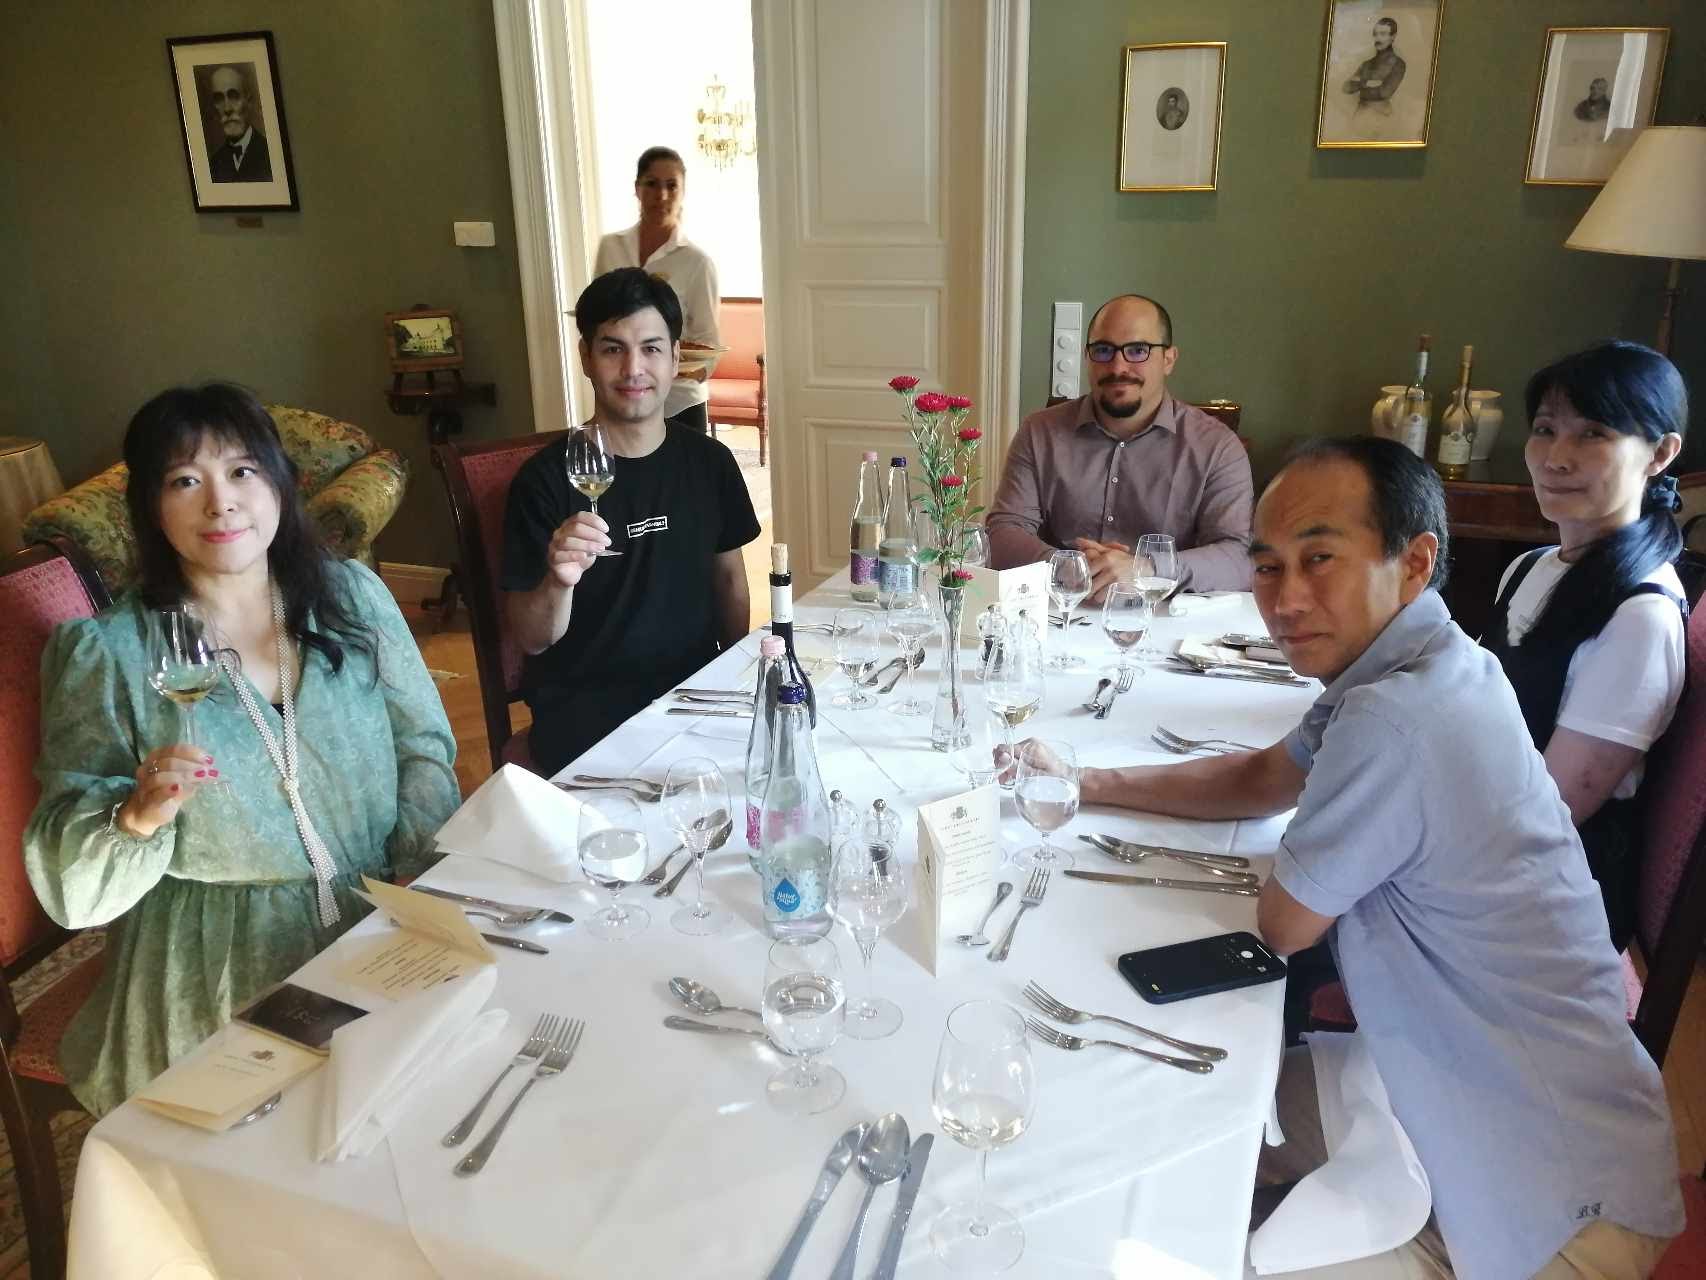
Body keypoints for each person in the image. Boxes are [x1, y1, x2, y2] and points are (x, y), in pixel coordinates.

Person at [1053, 437, 1683, 1275]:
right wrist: (1083, 782)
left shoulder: (1399, 714)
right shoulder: (1425, 660)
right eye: (1267, 566)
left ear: (1414, 562)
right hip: (1437, 1070)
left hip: (1543, 1196)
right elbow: (1263, 777)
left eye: (1320, 558)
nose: (1285, 599)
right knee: (1160, 1126)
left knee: (1163, 1198)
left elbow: (1284, 925)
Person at [24, 384, 459, 1117]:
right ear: (151, 508)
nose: (220, 503)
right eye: (184, 481)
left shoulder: (351, 598)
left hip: (377, 916)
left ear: (280, 483)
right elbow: (75, 894)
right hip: (213, 964)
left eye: (241, 471)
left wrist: (421, 877)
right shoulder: (110, 654)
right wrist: (135, 819)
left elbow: (421, 747)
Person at [502, 267, 759, 774]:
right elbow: (532, 638)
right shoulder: (544, 481)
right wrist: (558, 580)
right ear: (586, 358)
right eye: (613, 349)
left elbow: (730, 581)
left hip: (693, 694)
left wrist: (737, 679)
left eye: (651, 348)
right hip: (587, 711)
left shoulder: (710, 463)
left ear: (676, 358)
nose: (633, 368)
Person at [1482, 341, 1688, 951]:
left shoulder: (1640, 617)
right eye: (1545, 429)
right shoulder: (1529, 567)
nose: (1556, 458)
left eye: (1593, 433)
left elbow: (1549, 816)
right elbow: (1460, 703)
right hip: (1482, 842)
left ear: (1660, 453)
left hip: (1545, 906)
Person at [986, 293, 1253, 597]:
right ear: (1087, 358)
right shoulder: (1039, 432)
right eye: (1103, 350)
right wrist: (1069, 567)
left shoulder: (1217, 447)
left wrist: (1146, 569)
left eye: (1138, 350)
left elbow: (1240, 558)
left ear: (1168, 359)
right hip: (1063, 610)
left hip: (1165, 615)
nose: (1118, 367)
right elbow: (1003, 531)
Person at [594, 147, 720, 433]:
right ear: (637, 188)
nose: (661, 195)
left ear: (683, 192)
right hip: (619, 393)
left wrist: (677, 367)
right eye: (651, 184)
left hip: (679, 403)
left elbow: (708, 344)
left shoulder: (697, 262)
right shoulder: (610, 247)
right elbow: (595, 318)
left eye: (672, 186)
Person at [205, 64, 273, 182]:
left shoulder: (271, 155)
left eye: (234, 96)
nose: (227, 109)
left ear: (248, 101)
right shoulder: (212, 165)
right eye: (219, 99)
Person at [1341, 17, 1407, 114]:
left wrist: (1359, 83)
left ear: (1393, 36)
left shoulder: (1398, 64)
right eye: (1375, 34)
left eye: (1383, 34)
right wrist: (1367, 83)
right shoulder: (1366, 64)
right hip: (1360, 114)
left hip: (1382, 115)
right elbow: (1346, 87)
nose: (1378, 38)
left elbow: (1384, 93)